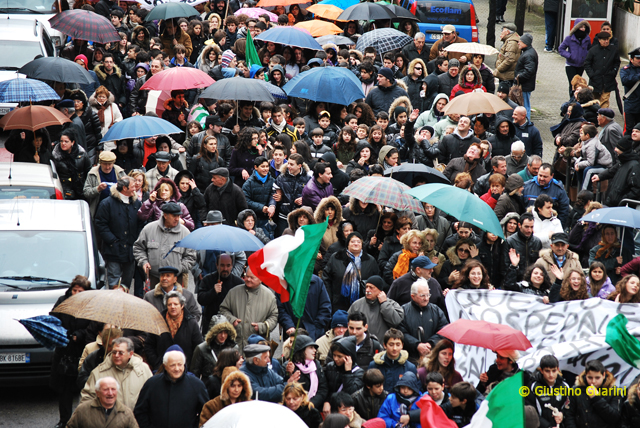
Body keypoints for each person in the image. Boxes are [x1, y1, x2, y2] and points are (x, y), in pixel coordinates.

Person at [50, 276, 96, 428]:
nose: (76, 293)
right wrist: (64, 333)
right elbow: (53, 318)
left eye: (80, 291)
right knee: (64, 389)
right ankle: (65, 421)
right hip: (64, 350)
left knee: (84, 387)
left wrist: (80, 334)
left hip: (82, 350)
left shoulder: (91, 305)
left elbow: (93, 325)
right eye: (74, 290)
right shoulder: (62, 300)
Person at [134, 350, 209, 428]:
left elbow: (206, 412)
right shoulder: (152, 384)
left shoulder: (196, 385)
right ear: (165, 366)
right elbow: (140, 411)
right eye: (172, 365)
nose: (177, 369)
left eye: (180, 365)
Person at [94, 176, 143, 290]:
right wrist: (112, 240)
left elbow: (141, 223)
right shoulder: (107, 204)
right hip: (113, 250)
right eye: (132, 187)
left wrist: (136, 239)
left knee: (126, 285)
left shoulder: (137, 204)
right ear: (124, 188)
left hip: (130, 251)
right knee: (113, 285)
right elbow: (100, 224)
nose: (135, 189)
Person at [134, 201, 196, 286]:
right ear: (165, 216)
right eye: (174, 216)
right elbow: (138, 248)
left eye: (178, 215)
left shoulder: (185, 233)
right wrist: (144, 262)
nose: (177, 219)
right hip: (154, 278)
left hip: (176, 280)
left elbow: (191, 256)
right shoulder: (149, 229)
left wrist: (180, 268)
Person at [80, 337, 152, 409]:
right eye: (114, 352)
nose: (116, 355)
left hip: (136, 418)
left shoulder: (143, 369)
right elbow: (87, 397)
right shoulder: (99, 371)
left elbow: (152, 395)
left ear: (130, 354)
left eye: (121, 353)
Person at [219, 267, 279, 351]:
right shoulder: (233, 292)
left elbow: (274, 317)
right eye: (246, 276)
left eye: (252, 277)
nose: (248, 279)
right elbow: (223, 309)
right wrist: (232, 320)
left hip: (258, 348)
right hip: (235, 345)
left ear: (260, 279)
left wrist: (262, 327)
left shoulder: (269, 297)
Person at [144, 290, 203, 370]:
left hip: (184, 370)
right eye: (169, 304)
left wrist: (190, 367)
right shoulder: (158, 321)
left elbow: (198, 348)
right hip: (162, 369)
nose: (172, 307)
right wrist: (157, 363)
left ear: (182, 306)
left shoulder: (191, 323)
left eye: (176, 304)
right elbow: (149, 345)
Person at [323, 232, 380, 313]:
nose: (356, 244)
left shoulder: (370, 260)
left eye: (358, 241)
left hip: (363, 304)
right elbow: (326, 278)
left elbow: (376, 281)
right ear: (348, 244)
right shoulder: (336, 258)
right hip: (338, 304)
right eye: (353, 241)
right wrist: (329, 298)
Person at [399, 278, 449, 363]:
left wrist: (431, 343)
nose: (426, 298)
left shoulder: (436, 310)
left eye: (428, 295)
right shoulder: (403, 311)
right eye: (422, 295)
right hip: (410, 359)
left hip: (433, 358)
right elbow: (401, 332)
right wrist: (417, 345)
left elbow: (444, 330)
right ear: (413, 296)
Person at [563, 359, 622, 428]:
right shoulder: (576, 390)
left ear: (603, 375)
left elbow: (615, 418)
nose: (593, 381)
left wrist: (596, 398)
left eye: (597, 378)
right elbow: (569, 415)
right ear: (585, 375)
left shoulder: (613, 391)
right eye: (590, 377)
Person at [197, 253, 245, 336]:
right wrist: (213, 292)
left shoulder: (239, 283)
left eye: (228, 265)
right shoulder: (207, 279)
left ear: (232, 266)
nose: (225, 268)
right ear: (216, 265)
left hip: (231, 326)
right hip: (210, 325)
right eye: (222, 265)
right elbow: (201, 299)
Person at [277, 274, 331, 342]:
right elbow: (280, 309)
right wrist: (289, 325)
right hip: (292, 333)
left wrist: (316, 327)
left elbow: (325, 307)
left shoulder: (317, 282)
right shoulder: (283, 283)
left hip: (315, 335)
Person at [67, 377, 138, 428]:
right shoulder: (82, 410)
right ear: (97, 393)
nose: (110, 393)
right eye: (106, 389)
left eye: (113, 389)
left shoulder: (126, 413)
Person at [592, 136, 640, 207]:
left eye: (617, 148)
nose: (615, 149)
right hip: (613, 202)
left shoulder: (634, 166)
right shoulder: (623, 161)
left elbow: (636, 189)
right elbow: (611, 171)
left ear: (623, 149)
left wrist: (623, 200)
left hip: (620, 205)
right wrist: (600, 176)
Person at [283, 335, 328, 410]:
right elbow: (284, 390)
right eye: (311, 348)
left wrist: (311, 404)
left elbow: (323, 388)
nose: (314, 350)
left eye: (314, 348)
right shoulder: (289, 366)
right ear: (302, 350)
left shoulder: (316, 365)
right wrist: (289, 375)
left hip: (312, 407)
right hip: (294, 408)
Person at [525, 355, 569, 427]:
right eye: (547, 371)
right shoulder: (532, 387)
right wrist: (547, 426)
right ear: (541, 370)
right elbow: (531, 412)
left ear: (558, 369)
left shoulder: (565, 386)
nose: (551, 375)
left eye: (554, 371)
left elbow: (569, 408)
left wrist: (562, 414)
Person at [368, 329, 417, 393]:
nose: (394, 348)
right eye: (391, 345)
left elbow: (416, 389)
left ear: (402, 345)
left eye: (398, 345)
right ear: (385, 345)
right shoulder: (374, 365)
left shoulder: (410, 367)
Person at [52, 128, 92, 200]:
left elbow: (88, 170)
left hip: (80, 189)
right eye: (61, 141)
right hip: (64, 190)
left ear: (72, 142)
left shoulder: (82, 153)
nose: (63, 143)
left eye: (66, 141)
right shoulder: (56, 156)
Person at [559, 19, 592, 97]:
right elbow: (561, 49)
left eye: (584, 27)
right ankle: (572, 99)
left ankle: (577, 99)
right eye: (581, 27)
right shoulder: (569, 38)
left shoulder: (587, 39)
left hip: (581, 65)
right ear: (577, 27)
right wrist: (570, 56)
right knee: (573, 83)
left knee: (579, 84)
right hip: (571, 65)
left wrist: (586, 56)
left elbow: (589, 49)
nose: (583, 29)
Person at [514, 33, 538, 120]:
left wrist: (518, 78)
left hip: (525, 85)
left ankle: (526, 122)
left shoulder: (528, 55)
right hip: (526, 84)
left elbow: (529, 71)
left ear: (525, 43)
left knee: (525, 105)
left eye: (520, 41)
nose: (518, 43)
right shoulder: (528, 52)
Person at [621, 48, 640, 135]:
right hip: (631, 105)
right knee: (629, 130)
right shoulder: (626, 70)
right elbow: (625, 81)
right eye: (638, 58)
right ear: (631, 59)